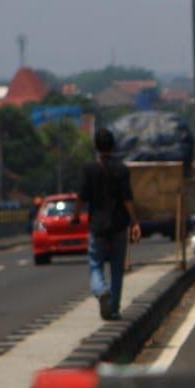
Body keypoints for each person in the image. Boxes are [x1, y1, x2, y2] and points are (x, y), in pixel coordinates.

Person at [75, 129, 141, 320]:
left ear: (96, 146)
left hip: (97, 226)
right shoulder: (121, 168)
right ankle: (113, 308)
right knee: (117, 268)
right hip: (119, 225)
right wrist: (134, 222)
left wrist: (76, 215)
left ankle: (101, 289)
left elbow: (81, 197)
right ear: (113, 146)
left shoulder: (89, 169)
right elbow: (128, 198)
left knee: (95, 264)